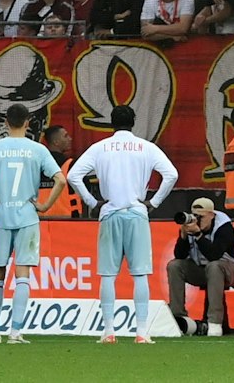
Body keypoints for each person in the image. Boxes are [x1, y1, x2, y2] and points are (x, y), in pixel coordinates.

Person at [68, 103, 178, 343]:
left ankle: (109, 331)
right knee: (140, 274)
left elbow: (73, 175)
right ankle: (141, 332)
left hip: (110, 212)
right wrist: (154, 202)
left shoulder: (100, 148)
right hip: (137, 212)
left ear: (112, 122)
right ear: (133, 122)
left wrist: (91, 201)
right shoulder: (146, 147)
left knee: (108, 275)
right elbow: (172, 174)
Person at [0, 102, 66, 342]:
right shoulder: (38, 149)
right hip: (27, 217)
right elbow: (61, 180)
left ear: (6, 122)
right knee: (22, 274)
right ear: (28, 122)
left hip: (1, 216)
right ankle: (16, 332)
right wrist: (45, 205)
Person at [166, 195, 234, 337]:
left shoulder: (224, 227)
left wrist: (198, 235)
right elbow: (179, 256)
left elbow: (214, 254)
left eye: (201, 217)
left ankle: (214, 322)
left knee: (214, 267)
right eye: (194, 216)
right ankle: (178, 317)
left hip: (229, 270)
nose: (197, 220)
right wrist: (183, 236)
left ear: (212, 215)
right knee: (174, 266)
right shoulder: (191, 226)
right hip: (202, 269)